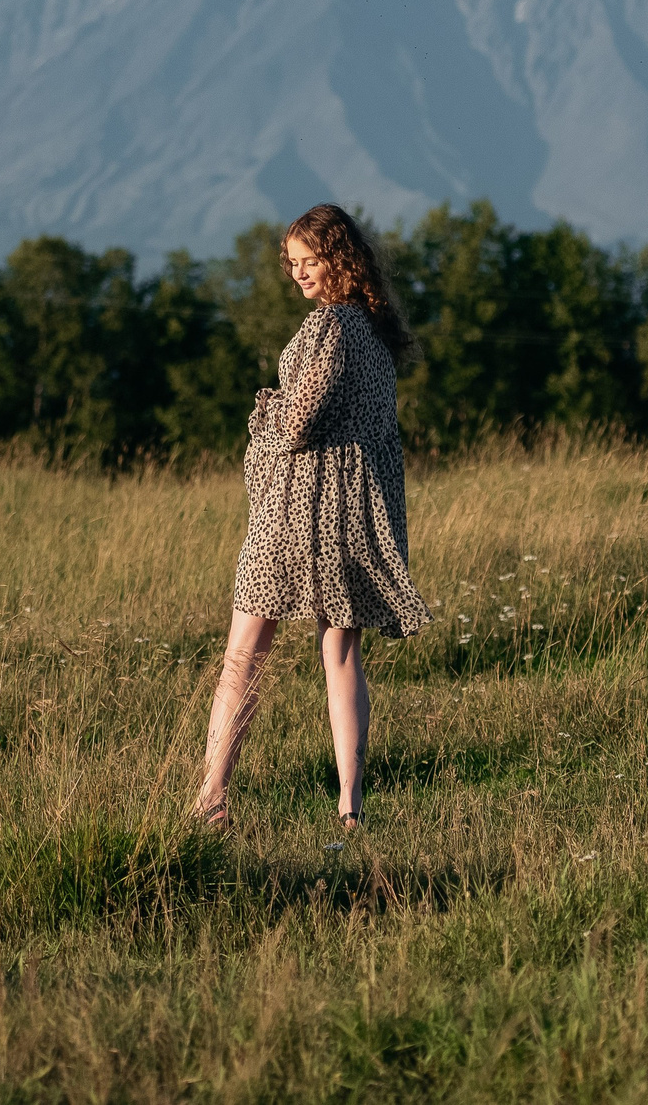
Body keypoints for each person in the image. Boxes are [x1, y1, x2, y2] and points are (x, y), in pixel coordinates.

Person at [192, 203, 431, 831]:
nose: (299, 274)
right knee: (341, 653)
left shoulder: (329, 328)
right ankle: (351, 805)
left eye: (309, 261)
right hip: (355, 512)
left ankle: (212, 796)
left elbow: (297, 421)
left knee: (243, 654)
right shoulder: (375, 334)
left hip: (296, 512)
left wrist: (265, 413)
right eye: (293, 264)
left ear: (341, 260)